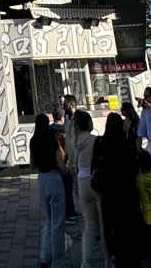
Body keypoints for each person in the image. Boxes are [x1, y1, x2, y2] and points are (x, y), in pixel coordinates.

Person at [92, 111, 141, 268]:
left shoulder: (101, 143)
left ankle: (114, 256)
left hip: (109, 193)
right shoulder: (125, 143)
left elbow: (94, 166)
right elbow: (134, 166)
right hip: (127, 192)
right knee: (128, 226)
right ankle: (132, 256)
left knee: (111, 227)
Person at [71, 109, 109, 268]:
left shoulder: (73, 141)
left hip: (81, 181)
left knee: (89, 225)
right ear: (88, 123)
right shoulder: (96, 140)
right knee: (103, 225)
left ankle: (85, 261)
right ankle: (108, 260)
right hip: (95, 182)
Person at [29, 113, 66, 268]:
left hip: (42, 179)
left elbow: (32, 165)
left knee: (49, 221)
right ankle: (58, 262)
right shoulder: (52, 140)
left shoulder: (33, 141)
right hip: (54, 178)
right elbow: (61, 164)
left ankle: (45, 257)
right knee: (58, 223)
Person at [61, 94, 81, 222]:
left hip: (79, 161)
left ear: (73, 105)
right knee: (73, 190)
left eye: (66, 104)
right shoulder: (68, 120)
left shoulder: (79, 119)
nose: (64, 107)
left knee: (80, 191)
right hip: (70, 160)